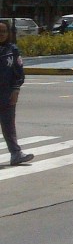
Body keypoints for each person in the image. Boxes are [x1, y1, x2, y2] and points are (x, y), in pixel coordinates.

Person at [0, 20, 32, 166]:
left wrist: (16, 89)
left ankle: (16, 154)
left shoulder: (12, 50)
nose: (2, 34)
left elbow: (18, 72)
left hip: (6, 94)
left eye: (4, 31)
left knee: (8, 125)